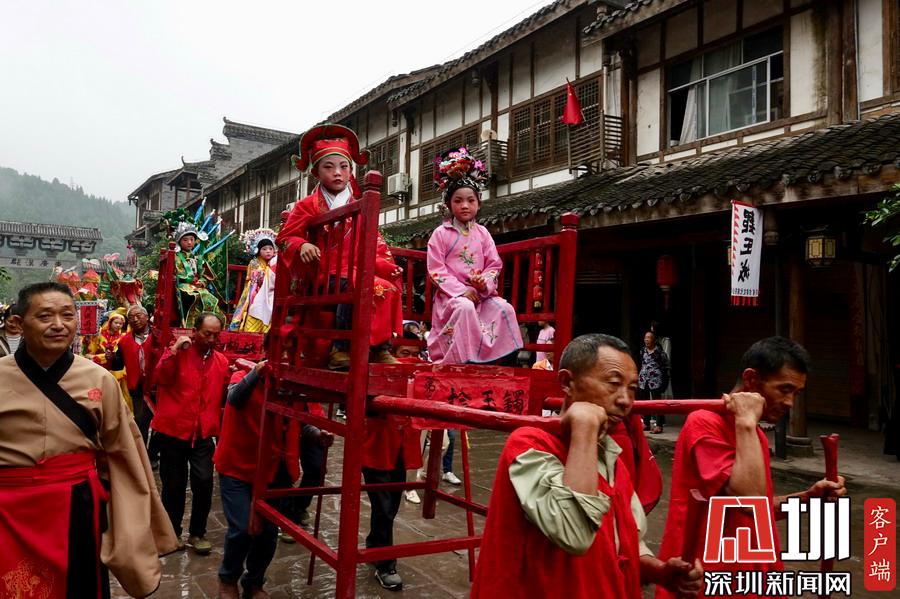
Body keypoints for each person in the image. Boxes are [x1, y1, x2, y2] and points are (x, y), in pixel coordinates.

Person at [471, 334, 703, 599]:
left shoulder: (612, 460)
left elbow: (625, 544)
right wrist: (584, 429)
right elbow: (574, 534)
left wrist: (660, 571)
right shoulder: (528, 446)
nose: (625, 400)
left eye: (631, 388)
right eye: (613, 384)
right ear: (567, 382)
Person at [0, 282, 178, 598]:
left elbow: (124, 453)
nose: (58, 325)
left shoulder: (99, 379)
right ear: (18, 322)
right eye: (45, 316)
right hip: (8, 508)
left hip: (76, 506)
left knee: (79, 587)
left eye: (67, 315)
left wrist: (136, 525)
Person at [655, 337, 847, 599]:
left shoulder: (753, 434)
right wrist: (746, 421)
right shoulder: (704, 423)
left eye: (795, 393)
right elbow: (748, 502)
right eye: (784, 389)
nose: (790, 402)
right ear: (751, 379)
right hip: (706, 576)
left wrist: (808, 497)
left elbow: (759, 510)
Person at [277, 123, 403, 370]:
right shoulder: (307, 205)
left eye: (344, 167)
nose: (337, 172)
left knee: (385, 287)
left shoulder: (360, 206)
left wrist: (387, 267)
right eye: (329, 167)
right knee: (357, 285)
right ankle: (340, 348)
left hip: (354, 272)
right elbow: (285, 237)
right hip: (322, 274)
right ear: (316, 172)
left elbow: (374, 244)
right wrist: (302, 245)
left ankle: (380, 348)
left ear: (350, 171)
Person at [427, 147, 523, 364]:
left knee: (505, 308)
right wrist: (462, 291)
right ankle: (465, 360)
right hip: (452, 298)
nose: (465, 205)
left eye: (470, 200)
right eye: (458, 201)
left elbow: (493, 265)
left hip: (481, 295)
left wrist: (482, 283)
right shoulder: (440, 234)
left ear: (478, 203)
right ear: (448, 205)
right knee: (465, 307)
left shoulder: (483, 233)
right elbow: (436, 271)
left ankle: (501, 361)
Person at [151, 312, 230, 555]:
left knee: (204, 482)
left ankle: (198, 533)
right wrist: (174, 350)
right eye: (207, 334)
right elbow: (159, 377)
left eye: (216, 335)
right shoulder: (178, 353)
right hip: (174, 431)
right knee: (173, 486)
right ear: (194, 331)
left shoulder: (221, 362)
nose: (211, 339)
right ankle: (172, 533)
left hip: (203, 433)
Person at [214, 358, 282, 599]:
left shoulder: (284, 387)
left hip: (267, 469)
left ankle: (254, 582)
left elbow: (295, 419)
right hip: (235, 466)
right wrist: (256, 372)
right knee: (242, 528)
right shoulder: (241, 375)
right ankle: (228, 578)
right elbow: (233, 397)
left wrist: (315, 433)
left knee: (268, 533)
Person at [118, 304, 161, 452]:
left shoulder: (159, 336)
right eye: (131, 317)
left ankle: (154, 453)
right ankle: (141, 454)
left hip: (158, 386)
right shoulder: (124, 341)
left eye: (138, 316)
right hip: (137, 387)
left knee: (161, 422)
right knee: (141, 421)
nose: (135, 320)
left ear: (147, 317)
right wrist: (110, 358)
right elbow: (118, 364)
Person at [173, 221, 222, 327]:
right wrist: (189, 280)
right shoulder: (176, 257)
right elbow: (178, 274)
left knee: (210, 297)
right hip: (183, 286)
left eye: (192, 239)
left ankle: (210, 324)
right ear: (179, 241)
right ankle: (191, 325)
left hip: (197, 286)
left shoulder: (197, 258)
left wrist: (202, 282)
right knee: (197, 296)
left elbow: (204, 275)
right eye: (185, 240)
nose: (189, 242)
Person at [230, 228, 278, 333]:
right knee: (253, 309)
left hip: (269, 292)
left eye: (270, 249)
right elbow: (257, 278)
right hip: (255, 291)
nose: (268, 251)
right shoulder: (254, 262)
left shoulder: (274, 262)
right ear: (258, 251)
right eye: (264, 249)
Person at [637, 331, 669, 434]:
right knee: (645, 402)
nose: (646, 340)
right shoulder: (642, 350)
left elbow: (666, 365)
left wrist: (664, 379)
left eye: (649, 338)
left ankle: (659, 425)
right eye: (645, 337)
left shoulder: (659, 352)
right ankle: (646, 423)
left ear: (653, 340)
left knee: (657, 402)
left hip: (655, 379)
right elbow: (641, 363)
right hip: (643, 379)